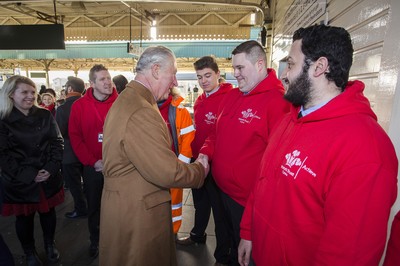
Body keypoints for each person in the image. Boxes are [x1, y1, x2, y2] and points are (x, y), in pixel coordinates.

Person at [238, 24, 398, 266]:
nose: (284, 75)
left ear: (319, 67)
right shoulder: (289, 119)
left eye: (291, 64)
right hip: (260, 253)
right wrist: (248, 232)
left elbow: (348, 255)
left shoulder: (366, 149)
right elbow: (262, 181)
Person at [100, 46, 209, 266]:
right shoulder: (140, 110)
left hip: (127, 206)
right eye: (173, 74)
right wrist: (200, 171)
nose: (175, 82)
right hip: (138, 214)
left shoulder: (130, 100)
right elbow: (167, 171)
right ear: (157, 70)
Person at [199, 41, 290, 265]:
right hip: (221, 191)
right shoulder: (232, 96)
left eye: (240, 68)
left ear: (260, 64)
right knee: (225, 241)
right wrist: (205, 153)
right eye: (233, 68)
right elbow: (215, 134)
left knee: (245, 254)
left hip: (247, 202)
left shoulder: (278, 102)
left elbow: (275, 163)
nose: (235, 74)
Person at [0, 75, 64, 265]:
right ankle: (29, 252)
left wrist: (50, 168)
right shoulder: (3, 120)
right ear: (11, 94)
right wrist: (28, 175)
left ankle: (49, 245)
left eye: (32, 92)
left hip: (46, 176)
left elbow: (57, 142)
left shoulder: (44, 115)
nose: (30, 96)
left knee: (48, 214)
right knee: (24, 219)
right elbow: (3, 155)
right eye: (24, 92)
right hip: (20, 181)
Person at [176, 56, 232, 265]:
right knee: (200, 203)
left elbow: (221, 133)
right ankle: (197, 235)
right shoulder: (200, 99)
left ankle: (222, 255)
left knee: (219, 212)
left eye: (208, 75)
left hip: (216, 162)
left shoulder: (229, 97)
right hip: (199, 162)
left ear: (218, 74)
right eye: (199, 77)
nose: (203, 81)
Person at [69, 64, 118, 258]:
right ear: (92, 83)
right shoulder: (79, 106)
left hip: (117, 166)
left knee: (118, 207)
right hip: (92, 167)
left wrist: (115, 161)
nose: (108, 82)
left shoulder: (120, 103)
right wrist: (93, 162)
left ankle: (116, 241)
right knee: (94, 207)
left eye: (109, 78)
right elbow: (75, 137)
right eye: (102, 79)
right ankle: (96, 241)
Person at [157, 87, 195, 236]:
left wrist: (180, 165)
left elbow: (189, 139)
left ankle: (173, 234)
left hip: (174, 166)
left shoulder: (180, 110)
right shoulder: (145, 107)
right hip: (152, 167)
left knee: (175, 203)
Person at [55, 76, 88, 219]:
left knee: (74, 186)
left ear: (69, 89)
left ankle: (80, 210)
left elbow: (60, 133)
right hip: (87, 152)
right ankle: (92, 208)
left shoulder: (62, 108)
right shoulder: (87, 105)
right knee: (88, 184)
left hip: (69, 153)